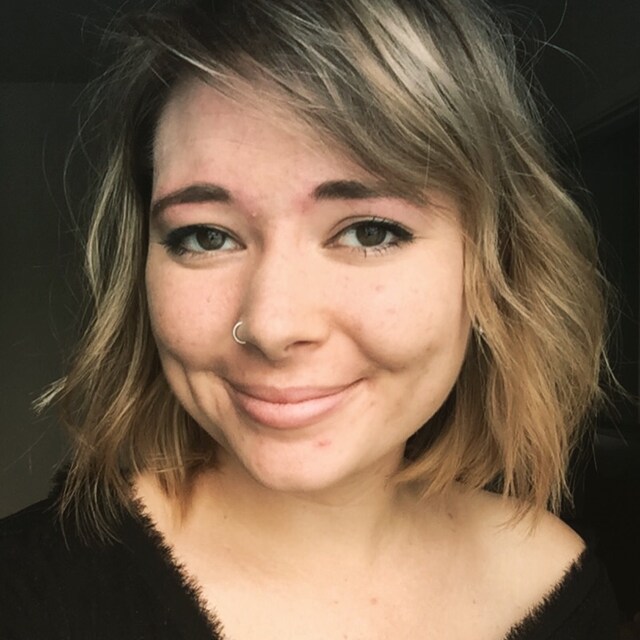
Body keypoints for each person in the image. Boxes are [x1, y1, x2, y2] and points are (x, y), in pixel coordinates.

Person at [0, 0, 620, 638]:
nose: (272, 327)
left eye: (369, 231)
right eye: (207, 236)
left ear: (496, 263)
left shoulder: (555, 580)